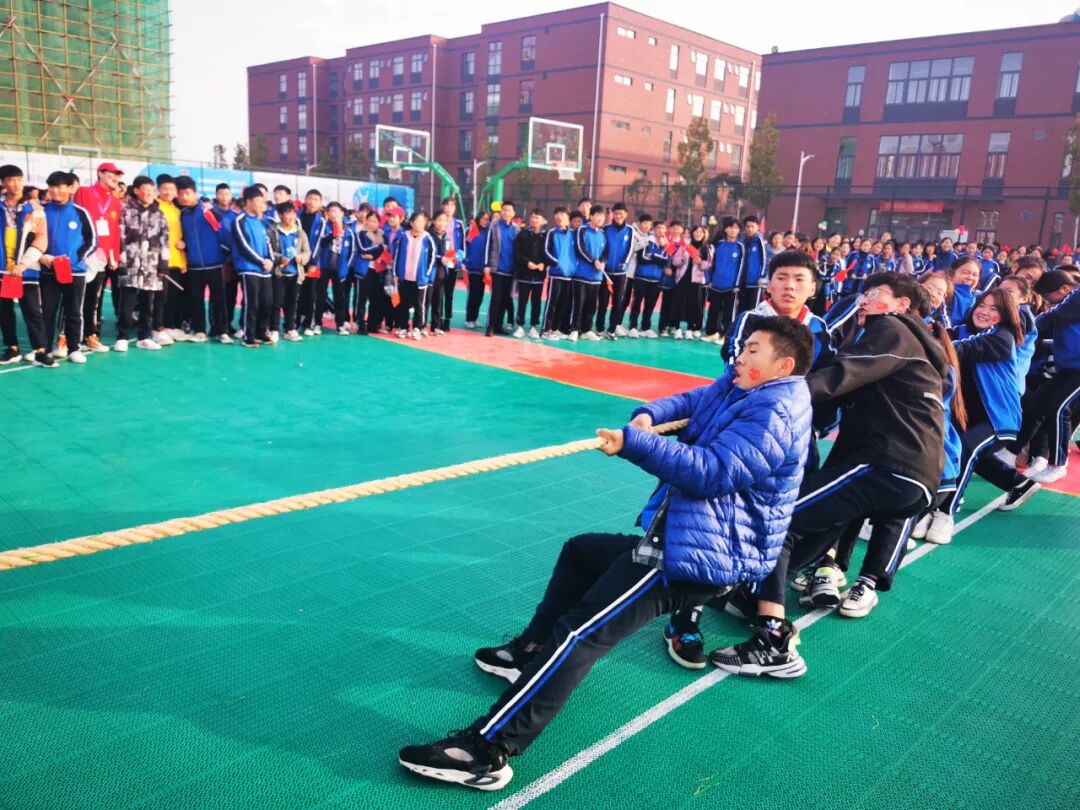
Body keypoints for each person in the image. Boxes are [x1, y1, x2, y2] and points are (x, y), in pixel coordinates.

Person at [398, 316, 815, 792]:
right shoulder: (743, 387)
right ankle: (530, 653)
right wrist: (648, 415)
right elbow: (691, 400)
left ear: (783, 365)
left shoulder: (776, 411)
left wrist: (636, 444)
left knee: (581, 634)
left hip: (694, 558)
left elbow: (712, 472)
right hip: (689, 540)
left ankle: (487, 750)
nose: (740, 355)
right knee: (582, 553)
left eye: (754, 349)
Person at [694, 273, 949, 676]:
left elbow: (839, 376)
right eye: (864, 293)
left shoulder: (893, 329)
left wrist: (763, 393)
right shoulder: (916, 348)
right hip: (909, 473)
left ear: (902, 305)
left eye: (875, 294)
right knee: (819, 524)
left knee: (779, 519)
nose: (864, 300)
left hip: (888, 464)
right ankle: (755, 594)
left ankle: (772, 640)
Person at [921, 289, 1036, 542]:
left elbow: (960, 349)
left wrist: (930, 344)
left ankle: (944, 514)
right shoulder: (962, 330)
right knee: (955, 450)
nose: (984, 311)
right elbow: (940, 335)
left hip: (997, 419)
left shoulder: (1002, 337)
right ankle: (1018, 483)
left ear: (1005, 315)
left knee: (965, 449)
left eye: (994, 309)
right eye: (982, 305)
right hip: (965, 417)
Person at [1002, 271, 1080, 485]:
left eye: (1048, 296)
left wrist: (1022, 328)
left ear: (1064, 289)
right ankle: (1010, 453)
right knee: (1036, 405)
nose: (1046, 301)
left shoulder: (1074, 299)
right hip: (1069, 367)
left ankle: (1057, 463)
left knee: (1059, 408)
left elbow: (1052, 317)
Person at [38, 171, 96, 364]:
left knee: (74, 312)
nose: (55, 190)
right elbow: (32, 237)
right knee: (47, 312)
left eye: (60, 186)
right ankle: (44, 349)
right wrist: (41, 256)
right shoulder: (41, 211)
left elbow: (92, 241)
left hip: (75, 272)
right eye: (51, 186)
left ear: (71, 188)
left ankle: (74, 348)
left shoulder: (80, 212)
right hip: (48, 271)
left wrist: (75, 259)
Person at [0, 164, 48, 366]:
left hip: (26, 270)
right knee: (4, 311)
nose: (16, 184)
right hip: (2, 269)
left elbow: (41, 238)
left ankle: (41, 350)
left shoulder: (35, 209)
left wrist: (25, 263)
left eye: (19, 179)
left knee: (33, 311)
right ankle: (12, 348)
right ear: (3, 183)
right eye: (11, 180)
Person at [74, 161, 123, 355]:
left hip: (101, 258)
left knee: (95, 299)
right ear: (100, 173)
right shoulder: (84, 192)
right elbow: (76, 221)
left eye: (118, 175)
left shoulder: (115, 202)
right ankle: (67, 337)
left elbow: (114, 232)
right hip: (82, 255)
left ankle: (90, 336)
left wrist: (113, 255)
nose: (116, 178)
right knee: (74, 298)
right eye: (112, 173)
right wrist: (78, 251)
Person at [116, 175, 170, 352]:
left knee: (148, 303)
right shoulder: (126, 211)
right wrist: (122, 262)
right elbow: (120, 237)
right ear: (137, 191)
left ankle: (144, 337)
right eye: (145, 190)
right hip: (131, 263)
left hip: (151, 265)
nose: (149, 193)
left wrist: (164, 262)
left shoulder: (159, 214)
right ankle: (122, 336)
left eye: (151, 190)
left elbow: (165, 240)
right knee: (127, 302)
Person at [175, 177, 229, 343]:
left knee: (219, 299)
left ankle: (220, 330)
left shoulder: (208, 210)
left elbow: (223, 229)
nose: (184, 197)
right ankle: (199, 330)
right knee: (196, 299)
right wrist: (184, 243)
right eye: (181, 194)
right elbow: (183, 235)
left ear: (195, 193)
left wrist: (224, 254)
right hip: (194, 265)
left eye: (187, 193)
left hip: (215, 263)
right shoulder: (182, 215)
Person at [230, 186, 275, 348]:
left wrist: (270, 260)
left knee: (267, 302)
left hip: (265, 270)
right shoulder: (239, 220)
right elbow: (243, 246)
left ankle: (261, 333)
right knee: (252, 303)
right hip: (249, 268)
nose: (261, 205)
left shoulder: (261, 221)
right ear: (248, 201)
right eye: (258, 201)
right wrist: (262, 261)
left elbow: (268, 243)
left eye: (263, 201)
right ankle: (248, 336)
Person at [310, 202, 359, 336]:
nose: (333, 214)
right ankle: (318, 323)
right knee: (320, 296)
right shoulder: (325, 228)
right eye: (330, 211)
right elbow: (320, 244)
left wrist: (346, 267)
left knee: (340, 298)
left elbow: (353, 251)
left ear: (342, 213)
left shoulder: (349, 231)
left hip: (340, 269)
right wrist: (332, 234)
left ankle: (340, 324)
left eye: (336, 211)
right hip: (324, 267)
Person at [267, 202, 311, 342]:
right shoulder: (272, 231)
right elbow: (268, 250)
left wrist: (301, 258)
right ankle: (273, 329)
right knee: (276, 302)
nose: (290, 217)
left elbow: (307, 251)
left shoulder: (300, 232)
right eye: (287, 213)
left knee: (292, 303)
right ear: (280, 215)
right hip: (279, 273)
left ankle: (289, 329)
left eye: (293, 213)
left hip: (295, 274)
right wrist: (279, 258)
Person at [392, 210, 437, 339]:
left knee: (419, 305)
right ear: (411, 223)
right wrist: (396, 273)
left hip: (420, 279)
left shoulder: (428, 238)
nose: (420, 224)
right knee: (403, 304)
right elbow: (397, 256)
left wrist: (426, 274)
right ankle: (404, 327)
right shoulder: (404, 237)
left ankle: (418, 327)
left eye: (422, 221)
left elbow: (432, 258)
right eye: (417, 221)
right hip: (405, 277)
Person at [703, 217, 745, 342]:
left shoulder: (740, 247)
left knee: (729, 313)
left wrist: (736, 285)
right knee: (713, 310)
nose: (733, 230)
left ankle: (726, 335)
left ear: (739, 231)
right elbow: (712, 263)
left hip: (731, 287)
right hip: (716, 284)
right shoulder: (719, 245)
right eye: (730, 227)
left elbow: (742, 267)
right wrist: (710, 280)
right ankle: (711, 333)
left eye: (736, 228)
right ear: (725, 229)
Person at [570, 204, 608, 341]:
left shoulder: (603, 234)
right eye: (597, 215)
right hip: (581, 275)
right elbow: (580, 249)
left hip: (596, 277)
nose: (600, 218)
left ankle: (586, 329)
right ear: (591, 216)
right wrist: (593, 261)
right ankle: (574, 329)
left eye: (603, 216)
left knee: (592, 305)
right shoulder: (582, 230)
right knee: (578, 303)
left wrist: (602, 261)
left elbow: (605, 252)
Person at [626, 218, 667, 338]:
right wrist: (658, 258)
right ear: (653, 229)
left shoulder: (666, 245)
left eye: (662, 228)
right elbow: (643, 259)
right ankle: (633, 327)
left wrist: (653, 256)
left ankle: (645, 327)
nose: (660, 230)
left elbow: (665, 261)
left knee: (650, 305)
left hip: (655, 280)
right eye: (658, 228)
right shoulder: (647, 241)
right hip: (641, 277)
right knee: (637, 303)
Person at [669, 224, 711, 340]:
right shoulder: (684, 245)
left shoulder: (706, 248)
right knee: (678, 303)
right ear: (692, 233)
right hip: (683, 279)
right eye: (696, 231)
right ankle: (677, 328)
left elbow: (708, 265)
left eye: (701, 232)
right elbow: (675, 261)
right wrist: (682, 258)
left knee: (693, 305)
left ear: (704, 234)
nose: (698, 234)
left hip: (696, 281)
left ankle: (689, 329)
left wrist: (700, 262)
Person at [599, 202, 633, 339]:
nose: (618, 216)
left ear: (626, 215)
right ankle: (600, 328)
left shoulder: (630, 230)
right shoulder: (606, 229)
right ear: (612, 214)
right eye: (616, 213)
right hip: (606, 273)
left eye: (621, 214)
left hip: (620, 274)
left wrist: (624, 263)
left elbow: (631, 249)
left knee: (617, 302)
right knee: (603, 301)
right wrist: (603, 261)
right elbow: (602, 247)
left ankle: (612, 329)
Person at [485, 201, 519, 336]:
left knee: (505, 299)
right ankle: (490, 326)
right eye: (504, 210)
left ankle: (499, 326)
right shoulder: (494, 226)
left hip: (511, 271)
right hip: (497, 269)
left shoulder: (516, 229)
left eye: (509, 210)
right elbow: (488, 246)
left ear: (513, 213)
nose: (506, 212)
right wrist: (487, 265)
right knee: (496, 299)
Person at [511, 208, 547, 338]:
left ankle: (533, 327)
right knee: (522, 301)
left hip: (538, 276)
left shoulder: (546, 236)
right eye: (532, 217)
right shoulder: (523, 234)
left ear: (543, 220)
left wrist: (544, 264)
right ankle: (520, 326)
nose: (534, 220)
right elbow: (517, 252)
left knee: (536, 302)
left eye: (537, 217)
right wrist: (527, 263)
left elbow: (549, 253)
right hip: (524, 274)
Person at [541, 207, 575, 339]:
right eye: (557, 214)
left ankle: (556, 329)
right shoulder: (551, 233)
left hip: (569, 275)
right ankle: (546, 329)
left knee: (564, 303)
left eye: (562, 214)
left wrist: (573, 266)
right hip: (556, 274)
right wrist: (557, 263)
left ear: (568, 218)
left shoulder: (573, 234)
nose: (559, 217)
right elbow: (546, 251)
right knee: (552, 302)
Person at [433, 197, 466, 333]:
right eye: (446, 205)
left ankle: (448, 319)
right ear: (442, 207)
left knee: (449, 293)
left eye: (451, 206)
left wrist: (459, 259)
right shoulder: (437, 222)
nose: (449, 208)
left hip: (453, 262)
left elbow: (463, 245)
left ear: (455, 208)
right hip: (441, 262)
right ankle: (438, 319)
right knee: (438, 292)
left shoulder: (458, 224)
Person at [356, 210, 386, 334]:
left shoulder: (382, 235)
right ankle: (360, 324)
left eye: (375, 221)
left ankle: (372, 324)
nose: (372, 223)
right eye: (369, 220)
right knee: (362, 298)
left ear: (379, 223)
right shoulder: (361, 234)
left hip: (378, 270)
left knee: (376, 298)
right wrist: (379, 248)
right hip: (364, 270)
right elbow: (362, 249)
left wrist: (374, 255)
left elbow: (386, 251)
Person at [463, 211, 490, 329]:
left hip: (483, 269)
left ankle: (474, 318)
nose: (486, 221)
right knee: (473, 294)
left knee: (480, 295)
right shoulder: (471, 229)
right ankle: (469, 319)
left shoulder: (489, 232)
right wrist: (465, 261)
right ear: (479, 218)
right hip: (472, 267)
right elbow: (464, 246)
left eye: (488, 219)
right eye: (484, 218)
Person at [739, 215, 768, 313]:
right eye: (747, 226)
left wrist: (762, 276)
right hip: (743, 281)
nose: (750, 229)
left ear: (757, 227)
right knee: (742, 308)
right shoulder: (742, 240)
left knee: (753, 309)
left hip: (755, 282)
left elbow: (764, 259)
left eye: (752, 226)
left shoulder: (759, 240)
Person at [948, 257, 980, 326]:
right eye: (965, 273)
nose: (970, 277)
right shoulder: (944, 293)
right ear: (951, 274)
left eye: (975, 275)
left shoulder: (981, 297)